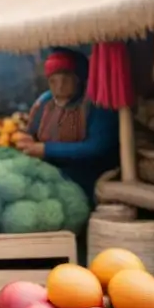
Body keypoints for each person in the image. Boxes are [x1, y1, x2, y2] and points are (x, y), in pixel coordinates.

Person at [15, 48, 119, 200]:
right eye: (53, 81)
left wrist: (47, 149)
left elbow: (98, 147)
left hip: (88, 178)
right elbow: (32, 132)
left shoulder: (97, 103)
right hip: (48, 175)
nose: (59, 86)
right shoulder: (43, 102)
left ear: (78, 79)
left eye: (66, 80)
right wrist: (27, 140)